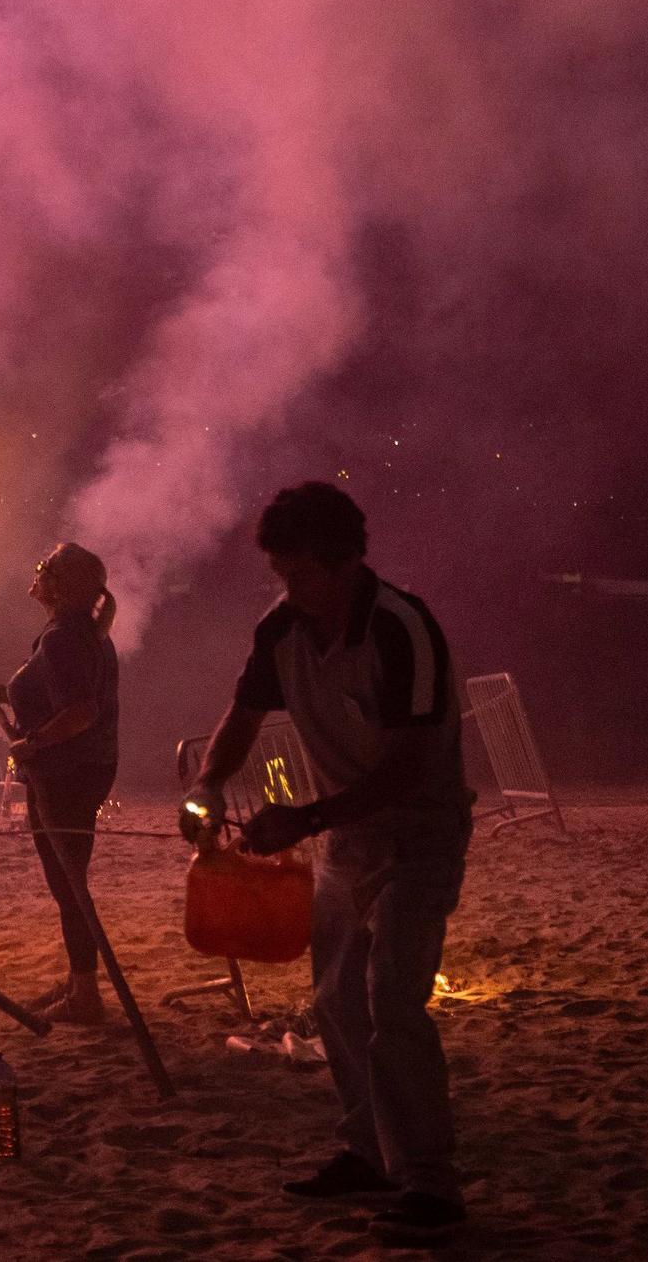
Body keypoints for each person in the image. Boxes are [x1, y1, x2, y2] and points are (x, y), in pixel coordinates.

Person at [181, 482, 474, 1246]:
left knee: (393, 1003)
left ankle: (431, 1185)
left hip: (421, 836)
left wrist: (305, 818)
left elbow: (411, 764)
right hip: (350, 842)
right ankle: (367, 1153)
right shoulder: (281, 629)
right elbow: (243, 716)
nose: (290, 590)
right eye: (281, 575)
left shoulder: (403, 629)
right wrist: (209, 783)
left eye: (303, 574)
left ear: (347, 563)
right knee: (338, 1002)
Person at [0, 542, 120, 1026]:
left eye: (49, 567)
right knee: (68, 882)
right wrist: (3, 693)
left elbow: (81, 712)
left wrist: (33, 745)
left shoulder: (64, 636)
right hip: (78, 770)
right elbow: (56, 696)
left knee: (68, 884)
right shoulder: (81, 633)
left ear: (65, 586)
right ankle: (80, 982)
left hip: (67, 774)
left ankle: (86, 996)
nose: (38, 571)